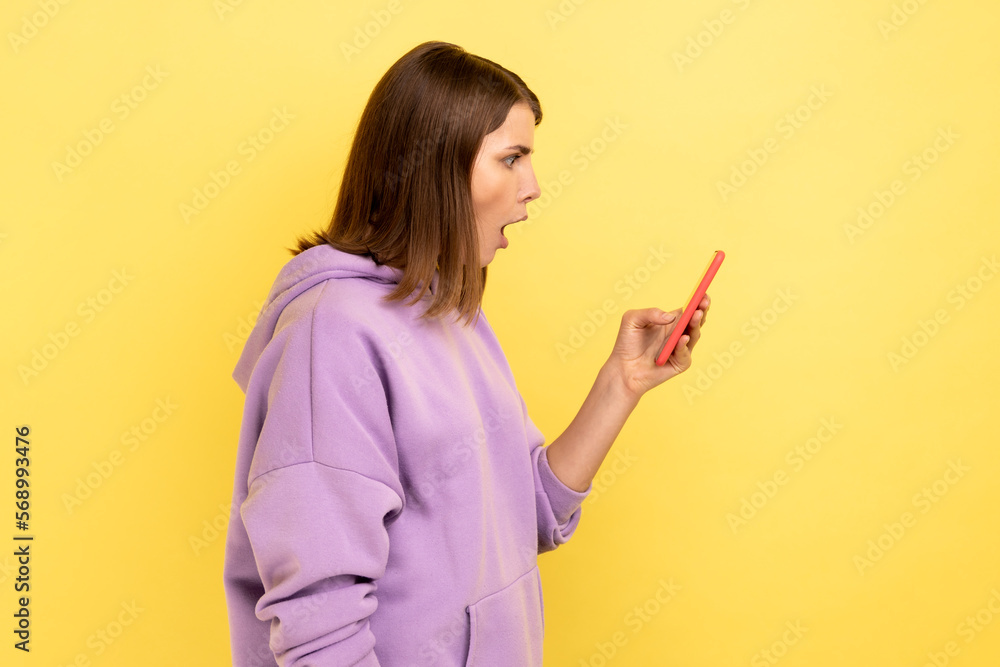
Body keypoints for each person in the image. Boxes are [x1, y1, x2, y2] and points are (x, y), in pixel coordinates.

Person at [222, 40, 710, 666]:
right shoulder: (332, 335)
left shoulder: (451, 313)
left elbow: (526, 515)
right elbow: (319, 618)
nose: (532, 187)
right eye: (512, 159)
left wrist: (622, 383)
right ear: (436, 167)